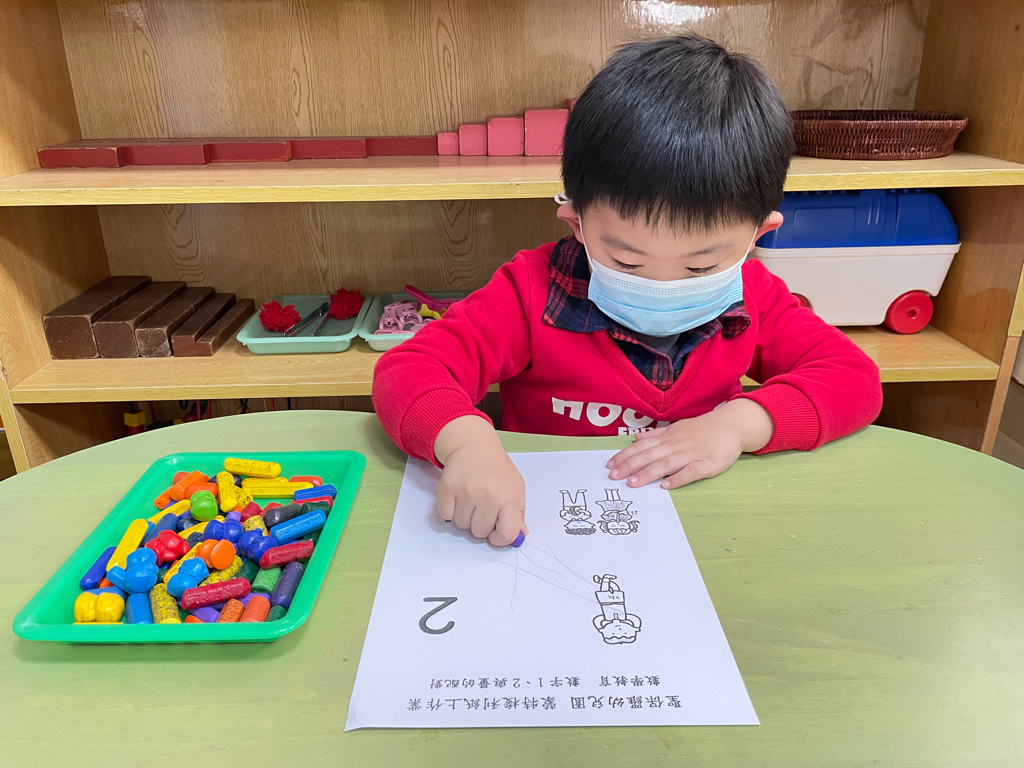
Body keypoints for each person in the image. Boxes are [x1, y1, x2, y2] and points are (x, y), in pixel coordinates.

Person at [372, 33, 883, 546]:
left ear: (758, 235)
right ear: (577, 224)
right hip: (556, 525)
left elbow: (854, 380)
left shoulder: (755, 295)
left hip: (707, 530)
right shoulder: (529, 292)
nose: (662, 286)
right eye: (626, 261)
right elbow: (409, 370)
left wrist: (737, 424)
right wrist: (465, 444)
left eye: (702, 266)